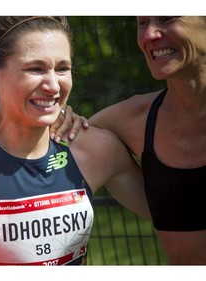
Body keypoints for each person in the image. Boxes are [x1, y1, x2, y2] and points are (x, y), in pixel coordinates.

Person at [0, 16, 151, 266]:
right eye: (36, 69)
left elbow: (178, 220)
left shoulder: (93, 149)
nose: (53, 86)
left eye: (62, 68)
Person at [84, 16, 206, 265]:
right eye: (142, 23)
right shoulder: (131, 120)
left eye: (167, 18)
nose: (149, 35)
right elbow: (75, 133)